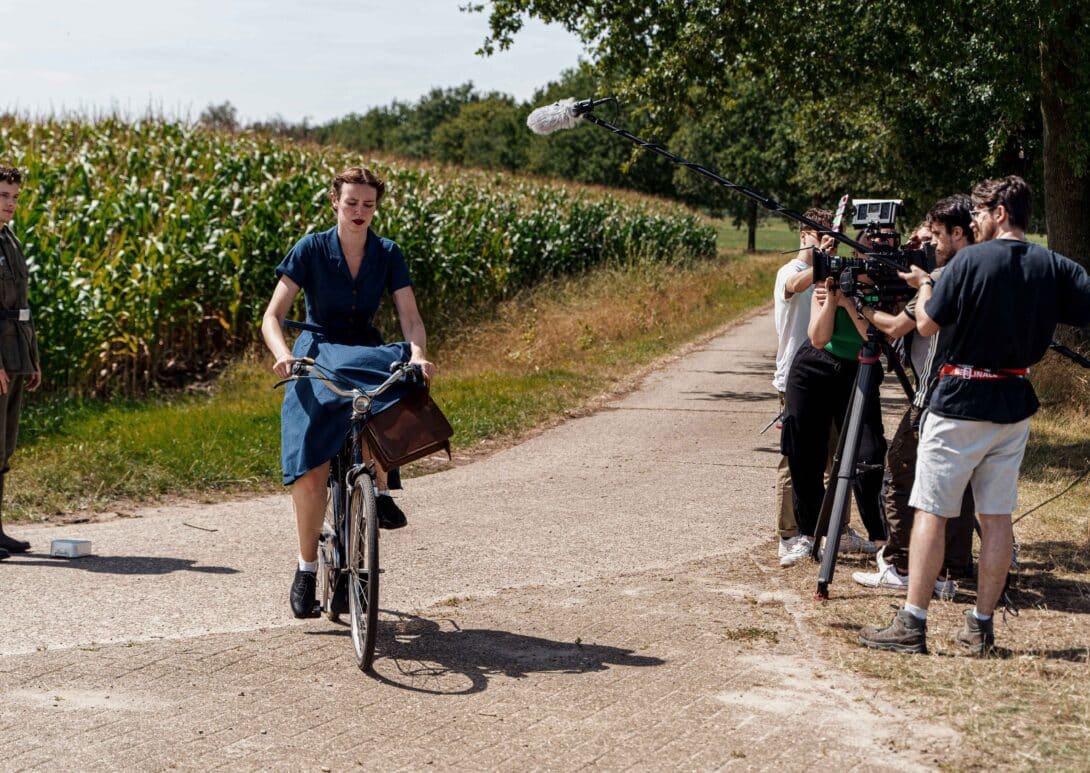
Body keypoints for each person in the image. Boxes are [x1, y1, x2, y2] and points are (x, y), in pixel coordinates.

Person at [860, 176, 1090, 655]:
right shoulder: (1055, 266)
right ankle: (980, 626)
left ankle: (913, 622)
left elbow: (924, 323)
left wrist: (925, 285)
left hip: (961, 398)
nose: (976, 221)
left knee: (931, 510)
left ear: (1001, 213)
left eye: (981, 213)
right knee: (998, 515)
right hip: (1013, 401)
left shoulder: (967, 261)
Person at [261, 166, 436, 618]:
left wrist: (417, 353)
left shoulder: (388, 253)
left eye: (369, 205)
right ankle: (306, 566)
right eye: (352, 203)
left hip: (364, 349)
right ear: (335, 202)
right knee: (312, 467)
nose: (360, 212)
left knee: (397, 385)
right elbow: (272, 317)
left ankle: (374, 489)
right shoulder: (311, 248)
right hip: (317, 351)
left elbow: (410, 318)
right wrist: (282, 353)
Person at [851, 206, 974, 595]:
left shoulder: (937, 280)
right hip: (969, 395)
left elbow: (898, 327)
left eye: (931, 238)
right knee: (958, 483)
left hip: (934, 395)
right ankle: (952, 567)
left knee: (901, 476)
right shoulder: (975, 269)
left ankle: (901, 564)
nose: (926, 246)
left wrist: (859, 305)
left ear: (956, 234)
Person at [779, 228, 888, 567]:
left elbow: (876, 338)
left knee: (868, 453)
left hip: (860, 368)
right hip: (815, 366)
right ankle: (808, 534)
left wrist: (851, 304)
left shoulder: (884, 289)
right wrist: (832, 297)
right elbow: (817, 337)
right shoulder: (830, 281)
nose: (867, 257)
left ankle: (881, 538)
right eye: (863, 250)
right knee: (804, 450)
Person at [772, 209, 834, 565]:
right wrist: (824, 266)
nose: (824, 243)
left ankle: (829, 527)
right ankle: (789, 534)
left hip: (826, 373)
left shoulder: (827, 273)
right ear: (803, 235)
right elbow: (795, 287)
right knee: (793, 459)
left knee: (831, 456)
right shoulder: (790, 271)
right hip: (793, 377)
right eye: (819, 236)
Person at [0, 166, 41, 561]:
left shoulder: (9, 239)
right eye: (3, 196)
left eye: (14, 197)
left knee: (4, 447)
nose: (10, 203)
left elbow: (21, 308)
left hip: (15, 353)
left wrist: (32, 359)